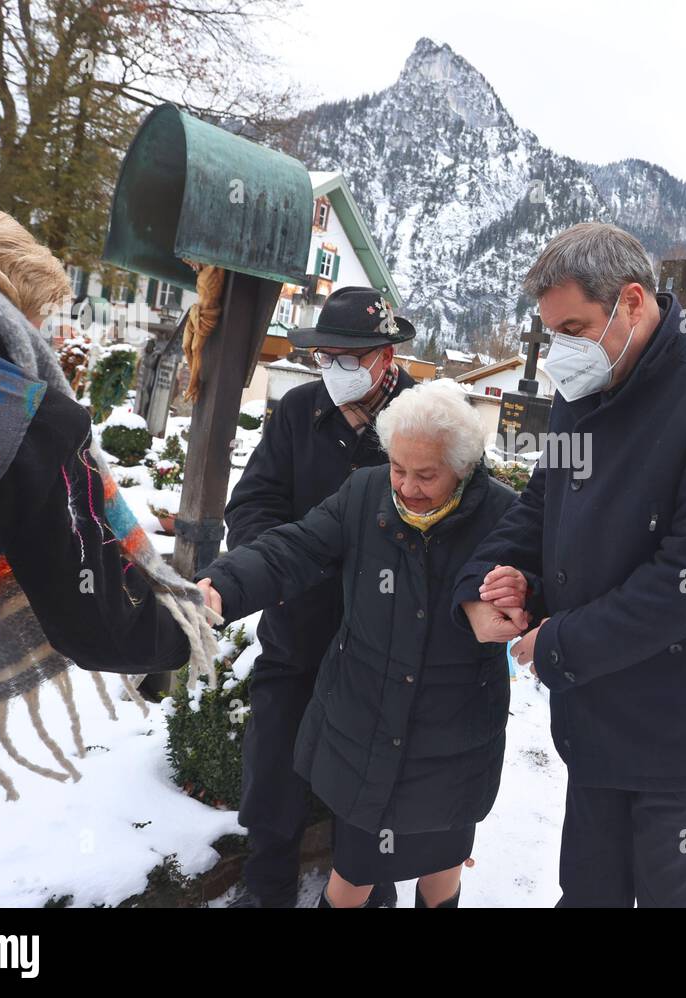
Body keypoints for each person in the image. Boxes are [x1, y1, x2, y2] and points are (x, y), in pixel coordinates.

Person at [0, 195, 214, 908]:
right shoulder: (13, 407)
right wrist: (183, 630)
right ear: (2, 300)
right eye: (33, 316)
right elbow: (92, 617)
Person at [453, 222, 686, 907]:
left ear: (633, 303)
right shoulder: (583, 397)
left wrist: (560, 643)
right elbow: (543, 507)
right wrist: (489, 580)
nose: (561, 352)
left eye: (574, 328)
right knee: (588, 894)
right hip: (600, 716)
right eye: (552, 334)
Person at [196, 380, 527, 908]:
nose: (407, 487)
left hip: (453, 736)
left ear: (462, 468)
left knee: (442, 870)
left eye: (426, 475)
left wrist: (521, 608)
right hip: (367, 725)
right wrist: (224, 585)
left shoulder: (505, 515)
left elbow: (541, 587)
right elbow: (293, 547)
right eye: (399, 468)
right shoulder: (365, 493)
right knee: (352, 873)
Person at [221, 285, 417, 908]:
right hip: (298, 625)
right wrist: (280, 565)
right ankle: (268, 883)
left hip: (383, 641)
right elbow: (253, 501)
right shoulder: (300, 411)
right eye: (322, 356)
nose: (331, 369)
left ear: (385, 357)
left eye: (347, 357)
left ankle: (371, 885)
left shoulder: (425, 421)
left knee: (375, 777)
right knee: (274, 760)